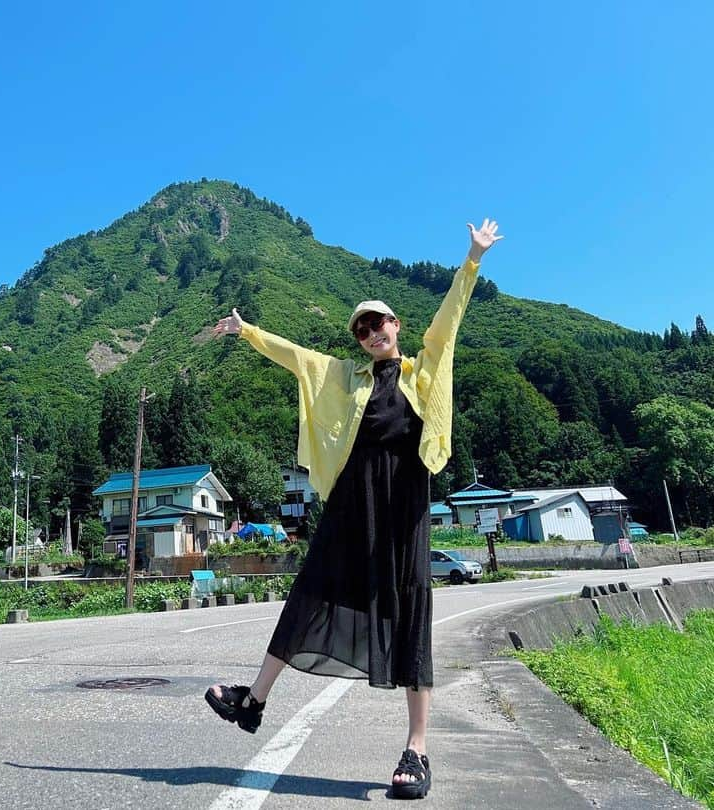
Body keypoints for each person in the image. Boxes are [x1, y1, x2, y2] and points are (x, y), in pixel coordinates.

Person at [205, 219, 503, 800]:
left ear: (396, 327)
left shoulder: (423, 371)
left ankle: (417, 750)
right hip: (351, 504)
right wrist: (246, 332)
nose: (371, 332)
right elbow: (299, 359)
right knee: (311, 591)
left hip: (404, 508)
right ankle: (253, 702)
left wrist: (471, 259)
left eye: (380, 323)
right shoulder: (344, 376)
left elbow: (448, 322)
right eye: (362, 327)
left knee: (413, 612)